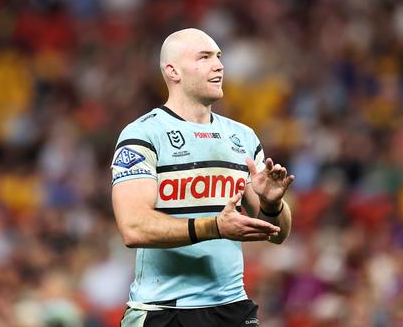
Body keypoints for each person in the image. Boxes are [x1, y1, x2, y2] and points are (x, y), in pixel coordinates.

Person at [111, 28, 295, 327]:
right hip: (163, 311)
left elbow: (278, 234)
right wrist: (215, 227)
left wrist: (272, 204)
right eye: (205, 57)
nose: (219, 65)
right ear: (173, 71)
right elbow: (133, 228)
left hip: (231, 307)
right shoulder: (143, 134)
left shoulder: (243, 137)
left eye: (219, 57)